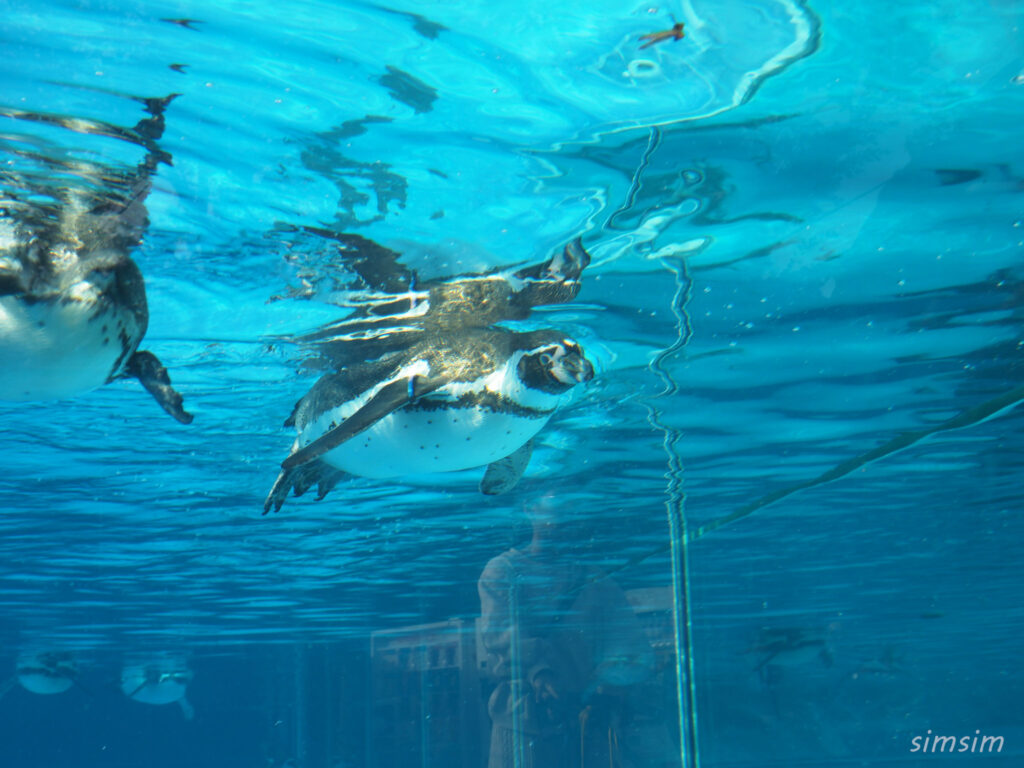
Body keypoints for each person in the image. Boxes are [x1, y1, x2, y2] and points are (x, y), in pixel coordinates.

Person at [478, 495, 673, 768]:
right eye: (557, 501)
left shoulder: (597, 581)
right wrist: (540, 674)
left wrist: (607, 685)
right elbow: (501, 636)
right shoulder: (503, 571)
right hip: (522, 720)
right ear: (529, 508)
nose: (565, 512)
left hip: (588, 721)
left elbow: (629, 646)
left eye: (573, 504)